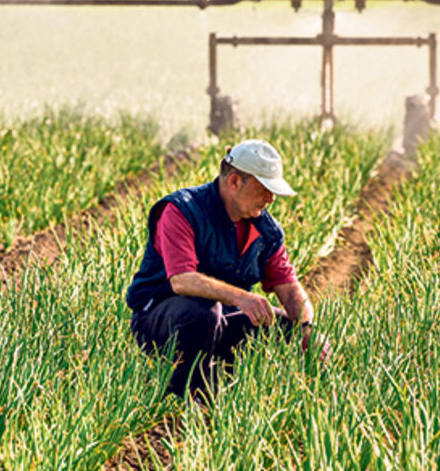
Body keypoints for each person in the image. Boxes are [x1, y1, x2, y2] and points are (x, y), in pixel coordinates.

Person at [126, 138, 325, 399]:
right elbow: (182, 281)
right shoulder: (182, 210)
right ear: (234, 182)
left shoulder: (266, 229)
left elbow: (289, 289)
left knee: (287, 328)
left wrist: (308, 330)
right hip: (162, 318)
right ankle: (191, 397)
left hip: (222, 318)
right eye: (265, 188)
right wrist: (242, 297)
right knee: (204, 313)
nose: (271, 198)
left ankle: (286, 394)